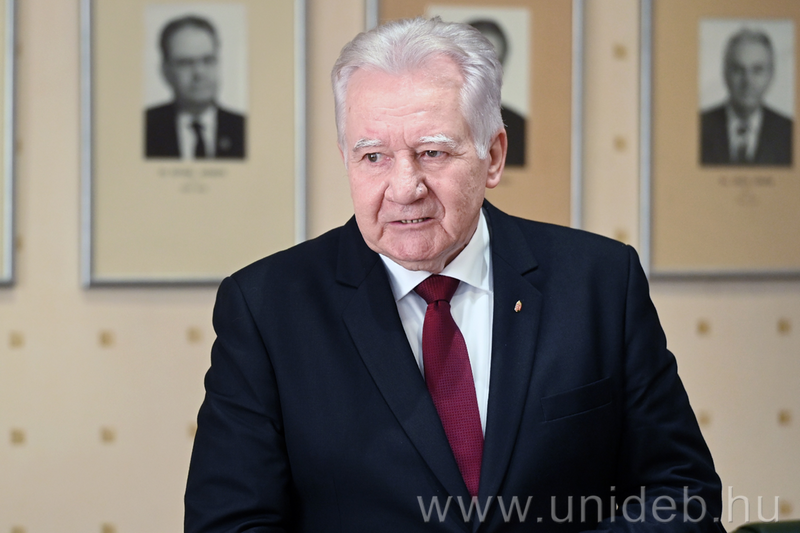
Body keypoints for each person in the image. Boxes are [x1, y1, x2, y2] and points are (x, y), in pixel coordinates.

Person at [185, 17, 724, 532]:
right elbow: (229, 523)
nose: (405, 188)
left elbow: (684, 496)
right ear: (345, 157)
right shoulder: (266, 308)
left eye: (432, 152)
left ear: (494, 156)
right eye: (373, 157)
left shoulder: (600, 283)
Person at [145, 15, 245, 159]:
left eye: (208, 60)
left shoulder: (245, 129)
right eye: (185, 63)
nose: (199, 73)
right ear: (165, 71)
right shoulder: (144, 128)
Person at [701, 28, 792, 166]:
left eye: (757, 70)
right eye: (738, 70)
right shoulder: (699, 127)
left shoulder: (790, 132)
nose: (748, 82)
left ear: (771, 75)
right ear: (725, 74)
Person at [468, 19, 527, 166]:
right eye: (476, 62)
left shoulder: (521, 128)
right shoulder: (431, 121)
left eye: (494, 64)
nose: (484, 73)